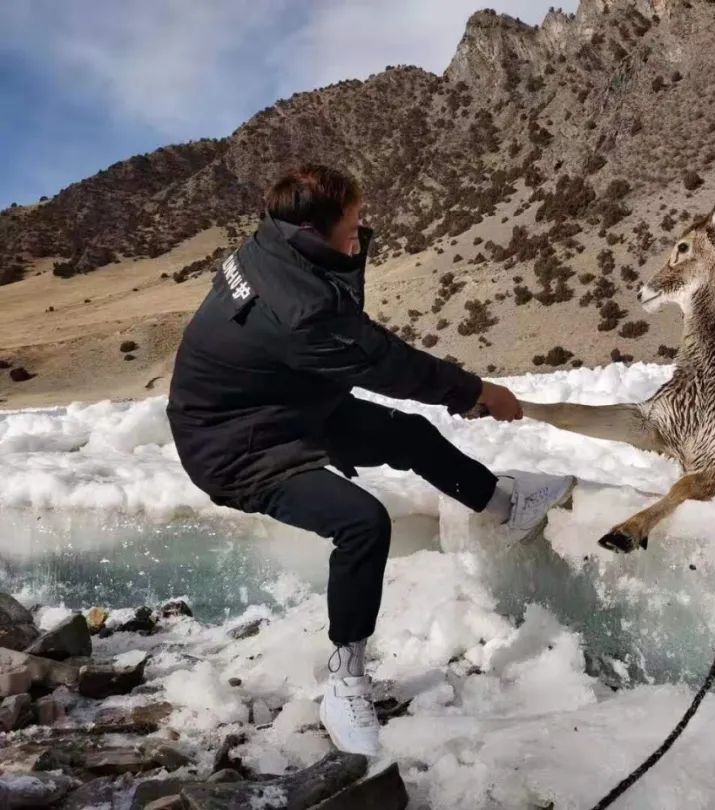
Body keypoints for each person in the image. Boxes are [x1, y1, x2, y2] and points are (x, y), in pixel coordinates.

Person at [166, 164, 574, 756]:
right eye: (353, 222)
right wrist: (476, 392)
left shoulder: (275, 245)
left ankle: (504, 506)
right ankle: (346, 677)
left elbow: (339, 319)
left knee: (406, 435)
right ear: (313, 225)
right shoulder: (299, 308)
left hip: (285, 403)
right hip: (234, 447)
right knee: (362, 523)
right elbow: (386, 363)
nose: (362, 230)